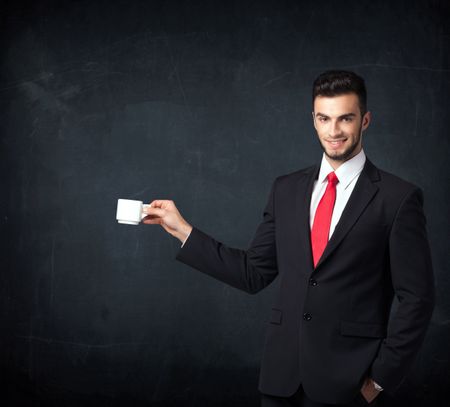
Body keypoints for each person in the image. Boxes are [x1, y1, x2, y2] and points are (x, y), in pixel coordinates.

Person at [142, 70, 435, 407]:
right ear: (313, 120)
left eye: (346, 119)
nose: (334, 131)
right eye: (324, 118)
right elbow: (253, 273)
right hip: (281, 382)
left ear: (365, 120)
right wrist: (182, 229)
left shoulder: (398, 198)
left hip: (350, 386)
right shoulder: (286, 189)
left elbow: (418, 299)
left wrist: (379, 380)